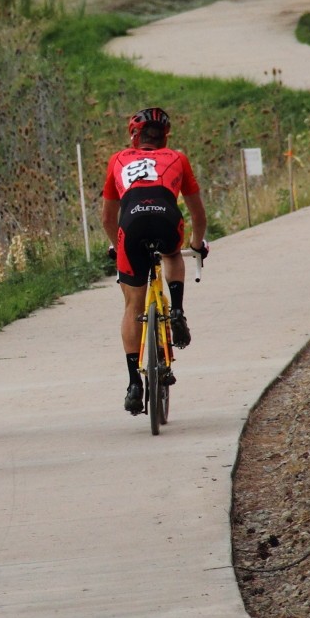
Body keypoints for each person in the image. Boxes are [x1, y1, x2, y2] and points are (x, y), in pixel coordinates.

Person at [101, 107, 208, 415]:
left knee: (132, 306)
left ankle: (134, 383)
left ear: (134, 136)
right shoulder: (177, 158)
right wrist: (197, 245)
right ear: (165, 137)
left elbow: (107, 218)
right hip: (166, 219)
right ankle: (177, 309)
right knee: (172, 252)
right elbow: (198, 214)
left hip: (131, 225)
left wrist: (116, 247)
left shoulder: (118, 159)